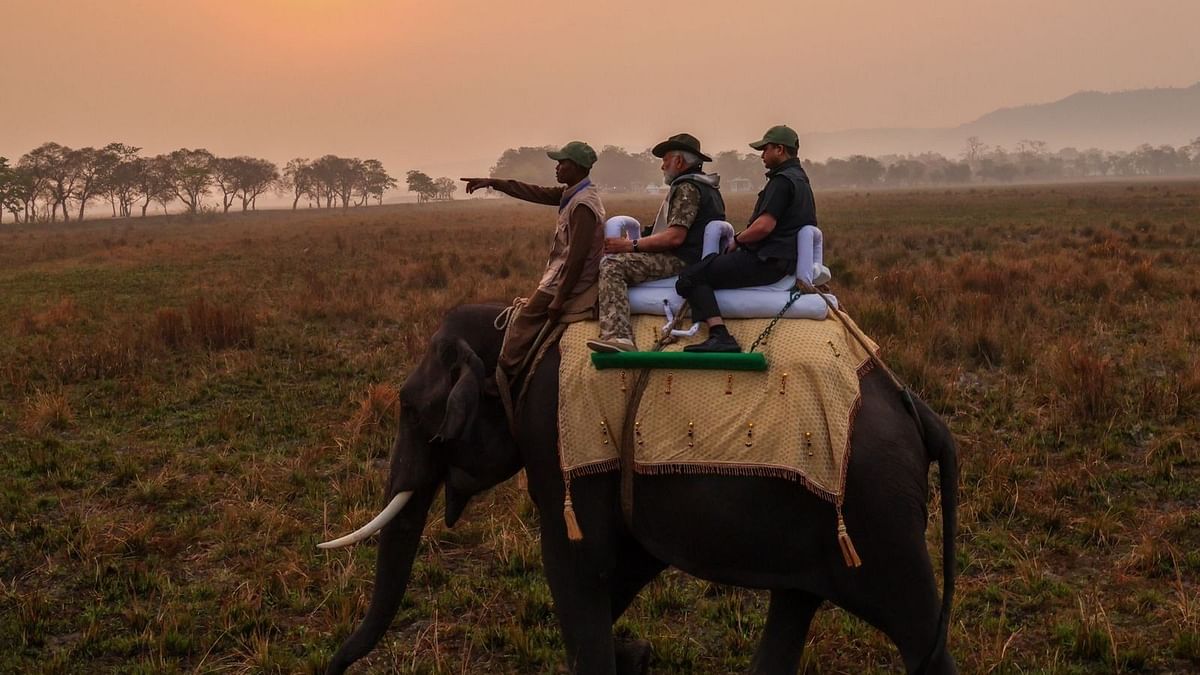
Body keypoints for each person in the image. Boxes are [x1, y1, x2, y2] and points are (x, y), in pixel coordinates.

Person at [461, 141, 606, 392]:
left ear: (578, 168)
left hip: (570, 280)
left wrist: (559, 298)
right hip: (561, 275)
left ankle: (504, 378)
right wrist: (494, 182)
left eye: (563, 163)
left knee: (524, 321)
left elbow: (576, 259)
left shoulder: (583, 204)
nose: (557, 168)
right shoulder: (572, 194)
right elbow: (533, 192)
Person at [675, 125, 818, 353]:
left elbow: (764, 226)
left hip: (766, 260)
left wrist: (738, 241)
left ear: (780, 150)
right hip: (783, 260)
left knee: (691, 276)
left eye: (766, 149)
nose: (762, 155)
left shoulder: (781, 181)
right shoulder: (801, 179)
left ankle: (719, 335)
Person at [587, 133, 725, 353]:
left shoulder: (687, 188)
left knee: (612, 265)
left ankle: (619, 337)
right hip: (697, 257)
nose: (662, 167)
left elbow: (675, 237)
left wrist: (629, 246)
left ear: (679, 161)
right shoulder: (707, 186)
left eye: (666, 160)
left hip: (683, 259)